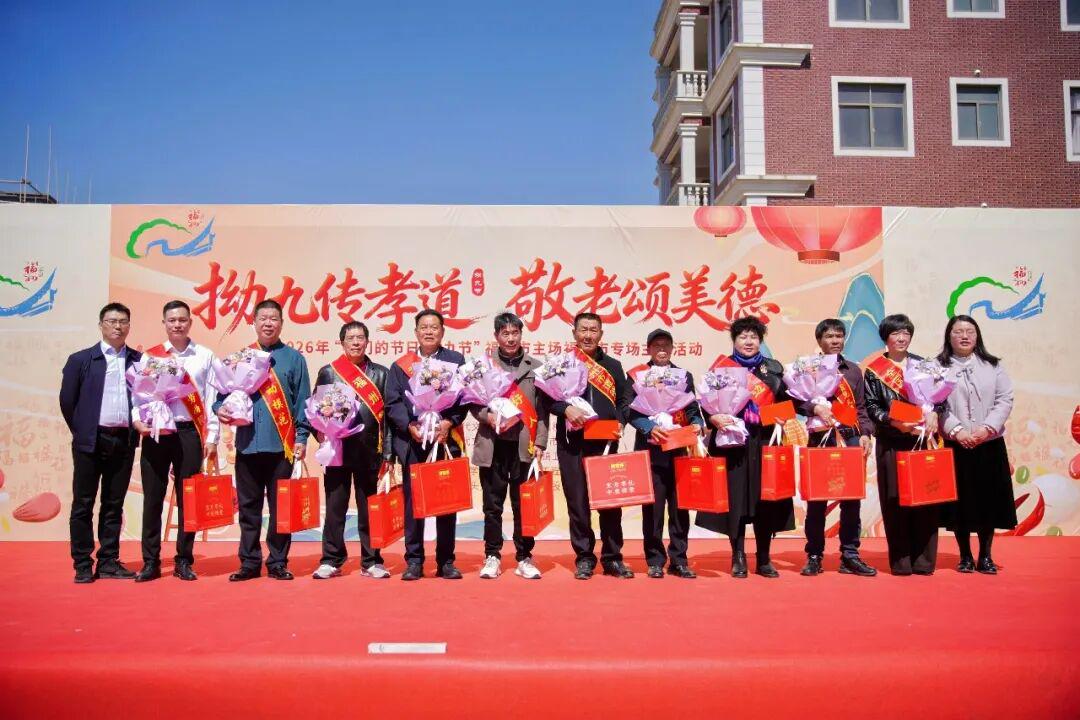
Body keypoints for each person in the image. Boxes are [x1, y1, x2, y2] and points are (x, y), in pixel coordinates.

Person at [214, 300, 310, 581]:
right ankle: (249, 562)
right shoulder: (241, 357)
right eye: (263, 318)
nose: (268, 323)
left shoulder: (294, 359)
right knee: (249, 508)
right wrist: (219, 408)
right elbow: (221, 396)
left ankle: (278, 562)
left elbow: (303, 402)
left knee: (281, 508)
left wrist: (302, 436)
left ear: (282, 323)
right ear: (254, 322)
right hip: (247, 444)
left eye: (274, 318)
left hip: (282, 447)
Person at [696, 317, 794, 578]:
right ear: (734, 340)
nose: (748, 341)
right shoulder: (721, 369)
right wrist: (713, 419)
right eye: (743, 336)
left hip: (764, 440)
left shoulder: (773, 369)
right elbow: (705, 405)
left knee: (766, 499)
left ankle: (764, 558)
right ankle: (737, 556)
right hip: (733, 442)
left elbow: (788, 403)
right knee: (735, 499)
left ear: (760, 340)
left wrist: (782, 415)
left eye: (753, 336)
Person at [132, 300, 220, 582]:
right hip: (157, 433)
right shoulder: (151, 356)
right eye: (172, 320)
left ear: (190, 322)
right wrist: (138, 421)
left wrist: (212, 436)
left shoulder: (204, 356)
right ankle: (151, 561)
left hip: (189, 432)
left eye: (182, 320)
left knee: (188, 500)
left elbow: (212, 399)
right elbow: (138, 395)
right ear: (164, 323)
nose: (177, 325)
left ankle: (184, 560)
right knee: (153, 498)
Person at [543, 312, 633, 580]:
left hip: (604, 442)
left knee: (610, 502)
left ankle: (612, 558)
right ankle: (584, 558)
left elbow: (625, 399)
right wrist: (565, 409)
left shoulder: (613, 366)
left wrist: (620, 421)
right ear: (574, 333)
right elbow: (546, 399)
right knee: (578, 502)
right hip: (572, 444)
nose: (588, 335)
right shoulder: (562, 364)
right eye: (583, 330)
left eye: (593, 330)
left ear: (601, 334)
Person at [59, 302, 143, 583]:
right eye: (112, 321)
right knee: (83, 503)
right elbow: (68, 402)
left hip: (123, 440)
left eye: (123, 321)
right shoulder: (81, 360)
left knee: (113, 503)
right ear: (101, 325)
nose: (118, 326)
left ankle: (108, 561)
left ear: (129, 326)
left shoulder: (138, 361)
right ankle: (82, 563)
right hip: (90, 441)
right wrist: (83, 430)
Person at [384, 309, 468, 581]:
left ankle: (446, 561)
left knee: (447, 502)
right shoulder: (400, 366)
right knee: (413, 502)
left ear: (442, 331)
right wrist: (409, 426)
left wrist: (449, 423)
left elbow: (464, 399)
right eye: (424, 327)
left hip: (445, 441)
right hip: (414, 441)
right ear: (416, 332)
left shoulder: (455, 361)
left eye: (434, 327)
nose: (429, 331)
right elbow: (393, 402)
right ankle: (414, 561)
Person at [310, 321, 393, 580]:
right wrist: (323, 435)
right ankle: (331, 560)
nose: (356, 342)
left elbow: (389, 418)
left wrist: (388, 453)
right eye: (351, 338)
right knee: (335, 507)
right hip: (338, 450)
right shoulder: (329, 372)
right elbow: (315, 410)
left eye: (360, 338)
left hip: (369, 449)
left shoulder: (381, 374)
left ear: (367, 341)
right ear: (342, 342)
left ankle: (372, 560)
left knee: (370, 508)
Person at [864, 313, 944, 576]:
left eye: (906, 333)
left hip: (922, 441)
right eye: (896, 333)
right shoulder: (874, 370)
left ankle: (924, 561)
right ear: (886, 337)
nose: (902, 338)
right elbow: (871, 406)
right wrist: (892, 422)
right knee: (894, 500)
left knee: (925, 499)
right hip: (892, 441)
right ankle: (901, 561)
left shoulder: (924, 365)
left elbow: (940, 398)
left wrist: (935, 413)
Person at [469, 312, 548, 580]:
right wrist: (487, 416)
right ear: (496, 336)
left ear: (521, 335)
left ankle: (524, 556)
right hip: (493, 445)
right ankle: (492, 555)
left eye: (515, 333)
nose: (511, 338)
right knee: (492, 506)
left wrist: (540, 442)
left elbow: (542, 410)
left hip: (524, 445)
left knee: (523, 504)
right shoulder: (484, 366)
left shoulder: (536, 367)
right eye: (505, 333)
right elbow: (472, 402)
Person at [796, 319, 876, 577]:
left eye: (839, 336)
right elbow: (796, 402)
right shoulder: (809, 368)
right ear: (819, 340)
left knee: (851, 499)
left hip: (850, 438)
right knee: (817, 501)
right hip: (821, 438)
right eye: (829, 336)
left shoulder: (852, 370)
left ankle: (850, 555)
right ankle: (814, 555)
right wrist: (815, 408)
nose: (835, 341)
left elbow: (861, 408)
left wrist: (866, 434)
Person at [937, 314, 1016, 574]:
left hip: (988, 444)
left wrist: (987, 428)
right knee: (960, 503)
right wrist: (957, 430)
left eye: (969, 331)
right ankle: (965, 556)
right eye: (958, 331)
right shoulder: (938, 367)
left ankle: (985, 556)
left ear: (977, 335)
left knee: (987, 502)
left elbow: (1005, 399)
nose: (964, 336)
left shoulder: (993, 365)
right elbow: (936, 405)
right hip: (956, 445)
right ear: (949, 336)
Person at [627, 328, 705, 579]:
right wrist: (649, 427)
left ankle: (679, 560)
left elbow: (692, 407)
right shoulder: (637, 375)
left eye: (666, 345)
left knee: (680, 507)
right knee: (653, 509)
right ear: (648, 349)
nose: (661, 350)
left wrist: (697, 423)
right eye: (656, 345)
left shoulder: (683, 375)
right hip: (651, 450)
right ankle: (654, 560)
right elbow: (630, 411)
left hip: (679, 448)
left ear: (672, 349)